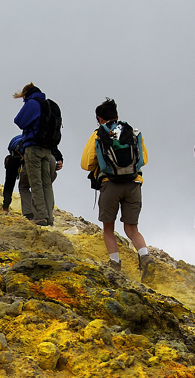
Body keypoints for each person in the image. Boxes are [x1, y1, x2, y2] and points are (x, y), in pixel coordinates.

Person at [80, 98, 155, 282]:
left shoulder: (98, 134)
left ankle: (115, 264)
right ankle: (145, 257)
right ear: (117, 116)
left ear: (99, 118)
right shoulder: (133, 132)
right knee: (132, 228)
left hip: (110, 184)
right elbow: (143, 159)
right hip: (133, 183)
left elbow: (86, 163)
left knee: (108, 228)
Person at [12, 83, 56, 226]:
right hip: (47, 148)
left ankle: (40, 216)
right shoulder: (47, 104)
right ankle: (49, 216)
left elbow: (19, 121)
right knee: (46, 183)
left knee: (35, 183)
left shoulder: (32, 103)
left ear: (26, 94)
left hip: (33, 147)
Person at [3, 135, 63, 217]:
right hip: (50, 158)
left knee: (24, 186)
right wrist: (60, 159)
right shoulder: (33, 138)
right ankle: (48, 216)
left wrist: (5, 206)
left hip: (33, 160)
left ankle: (30, 214)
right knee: (46, 186)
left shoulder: (14, 157)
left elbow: (9, 183)